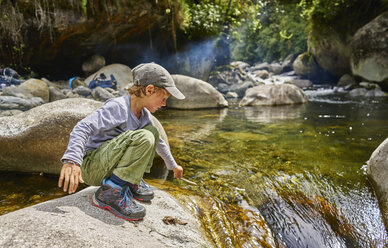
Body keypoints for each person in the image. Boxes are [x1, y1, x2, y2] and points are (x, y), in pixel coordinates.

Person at [58, 62, 185, 221]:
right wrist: (72, 160)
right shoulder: (118, 107)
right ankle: (110, 192)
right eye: (163, 98)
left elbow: (159, 142)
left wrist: (172, 165)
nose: (164, 104)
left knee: (152, 133)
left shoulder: (144, 115)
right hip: (92, 167)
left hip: (108, 164)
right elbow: (82, 127)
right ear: (149, 90)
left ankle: (130, 181)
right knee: (144, 137)